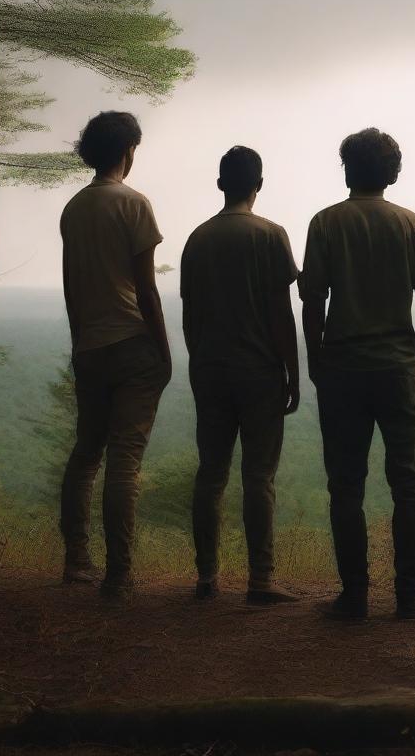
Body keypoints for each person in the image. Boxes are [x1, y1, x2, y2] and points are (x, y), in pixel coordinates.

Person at [300, 128, 415, 621]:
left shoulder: (325, 223)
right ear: (392, 174)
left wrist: (316, 360)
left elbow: (313, 300)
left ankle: (355, 595)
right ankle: (409, 596)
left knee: (346, 485)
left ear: (347, 168)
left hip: (341, 367)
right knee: (408, 483)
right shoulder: (411, 225)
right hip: (398, 367)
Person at [59, 111, 172, 601]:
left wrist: (78, 340)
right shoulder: (134, 204)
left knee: (86, 454)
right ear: (127, 150)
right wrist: (163, 350)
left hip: (90, 345)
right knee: (125, 460)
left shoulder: (73, 209)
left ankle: (77, 561)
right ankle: (119, 572)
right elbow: (146, 289)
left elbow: (71, 288)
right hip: (132, 342)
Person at [181, 146, 301, 605]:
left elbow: (190, 314)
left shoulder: (198, 239)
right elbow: (280, 314)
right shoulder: (271, 236)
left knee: (210, 475)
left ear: (219, 184)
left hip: (210, 370)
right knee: (258, 477)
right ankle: (260, 578)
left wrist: (198, 364)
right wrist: (292, 371)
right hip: (259, 371)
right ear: (260, 184)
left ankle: (207, 577)